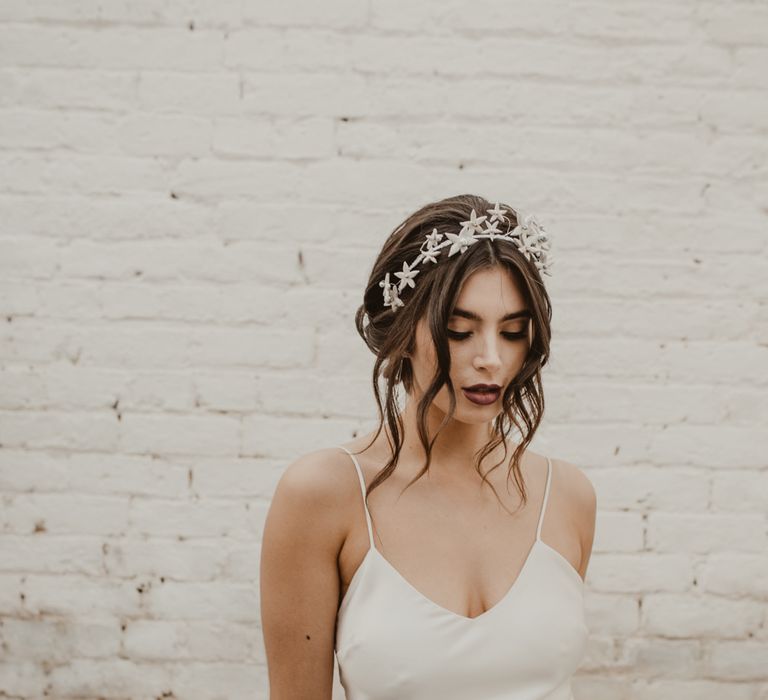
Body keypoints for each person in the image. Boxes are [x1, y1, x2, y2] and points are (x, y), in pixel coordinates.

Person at [260, 194, 597, 699]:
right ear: (401, 331)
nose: (491, 359)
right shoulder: (324, 494)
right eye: (459, 332)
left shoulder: (567, 495)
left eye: (512, 332)